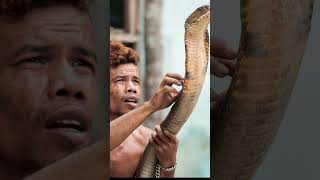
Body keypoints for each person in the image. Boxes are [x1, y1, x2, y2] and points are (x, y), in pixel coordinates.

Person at [109, 41, 181, 178]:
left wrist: (169, 163)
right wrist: (151, 105)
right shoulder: (80, 132)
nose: (132, 88)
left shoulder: (149, 141)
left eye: (136, 81)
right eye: (120, 80)